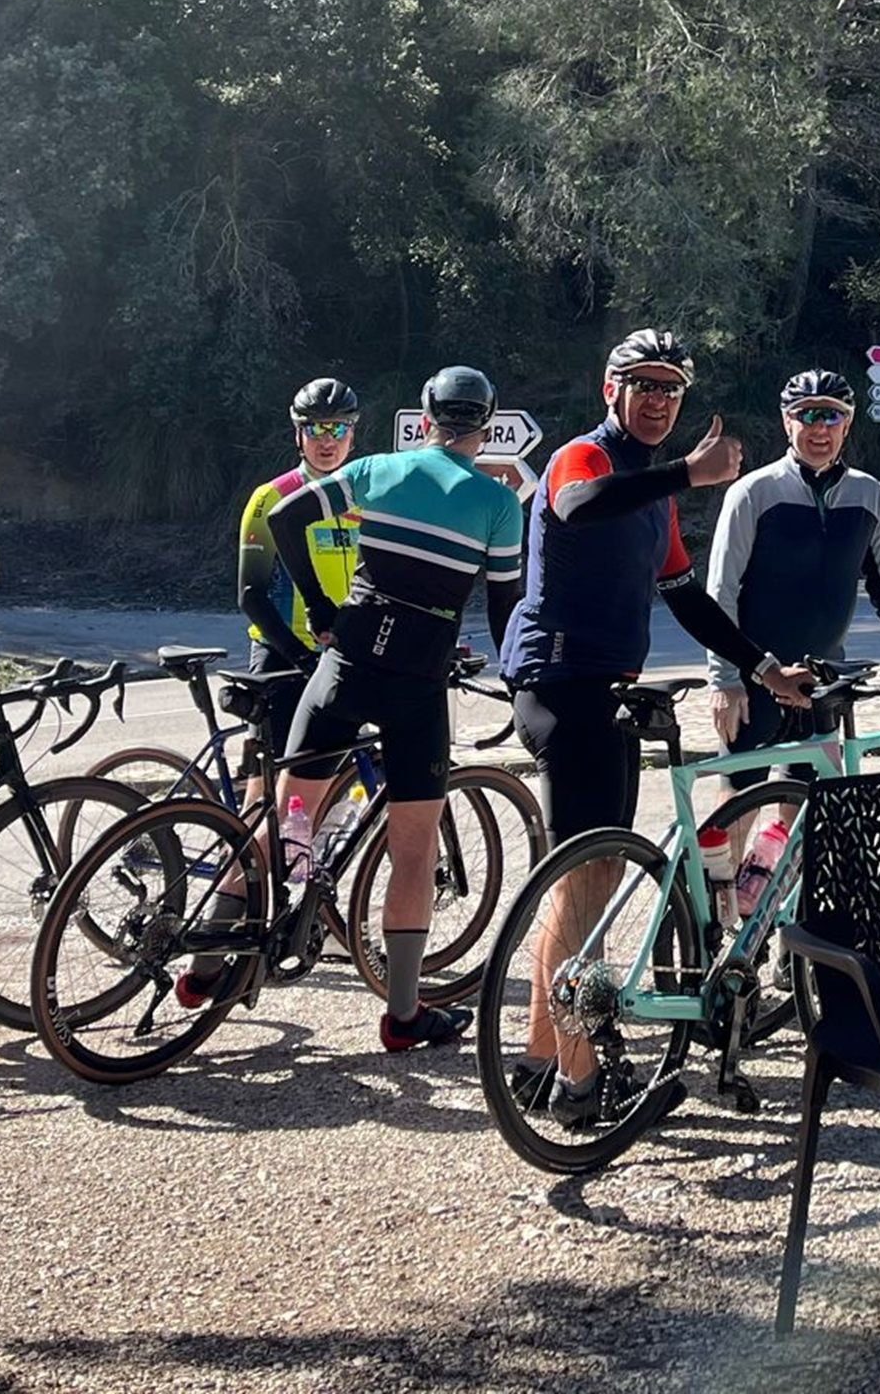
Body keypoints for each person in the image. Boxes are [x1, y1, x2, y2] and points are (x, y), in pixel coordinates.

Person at [497, 327, 817, 1119]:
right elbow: (574, 505)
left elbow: (685, 595)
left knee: (582, 880)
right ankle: (580, 1080)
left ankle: (543, 1061)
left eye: (671, 389)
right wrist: (688, 471)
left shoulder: (654, 492)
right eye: (643, 384)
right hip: (560, 678)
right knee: (590, 881)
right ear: (611, 390)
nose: (658, 399)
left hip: (603, 683)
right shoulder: (587, 457)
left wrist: (762, 665)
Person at [250, 365, 529, 1051]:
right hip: (415, 680)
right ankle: (403, 1016)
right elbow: (504, 608)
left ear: (426, 416)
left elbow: (287, 516)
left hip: (344, 663)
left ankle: (202, 971)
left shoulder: (378, 468)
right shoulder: (496, 503)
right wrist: (520, 680)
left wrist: (320, 605)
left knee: (281, 822)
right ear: (486, 425)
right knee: (412, 853)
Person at [706, 369, 880, 778]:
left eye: (831, 415)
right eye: (806, 416)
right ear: (786, 421)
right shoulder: (753, 492)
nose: (819, 428)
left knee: (807, 810)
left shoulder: (868, 494)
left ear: (848, 423)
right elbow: (720, 592)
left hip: (821, 681)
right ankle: (735, 846)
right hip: (755, 677)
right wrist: (725, 679)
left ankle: (774, 847)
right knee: (737, 806)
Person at [233, 376, 363, 797]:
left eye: (338, 429)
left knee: (337, 780)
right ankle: (241, 860)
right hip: (284, 656)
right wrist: (300, 656)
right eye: (316, 429)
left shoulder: (364, 498)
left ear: (352, 434)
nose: (328, 441)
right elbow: (250, 595)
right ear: (298, 434)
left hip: (342, 654)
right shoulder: (271, 497)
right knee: (268, 789)